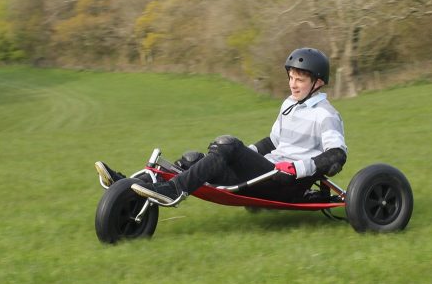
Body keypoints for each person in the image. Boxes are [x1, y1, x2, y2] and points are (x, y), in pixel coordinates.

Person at [94, 47, 347, 206]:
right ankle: (126, 186)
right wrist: (243, 156)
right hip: (266, 174)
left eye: (300, 79)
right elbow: (272, 141)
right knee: (195, 160)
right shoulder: (290, 104)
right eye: (291, 77)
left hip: (286, 182)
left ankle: (172, 191)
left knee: (227, 144)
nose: (293, 84)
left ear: (317, 83)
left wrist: (301, 167)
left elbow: (337, 155)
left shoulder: (325, 115)